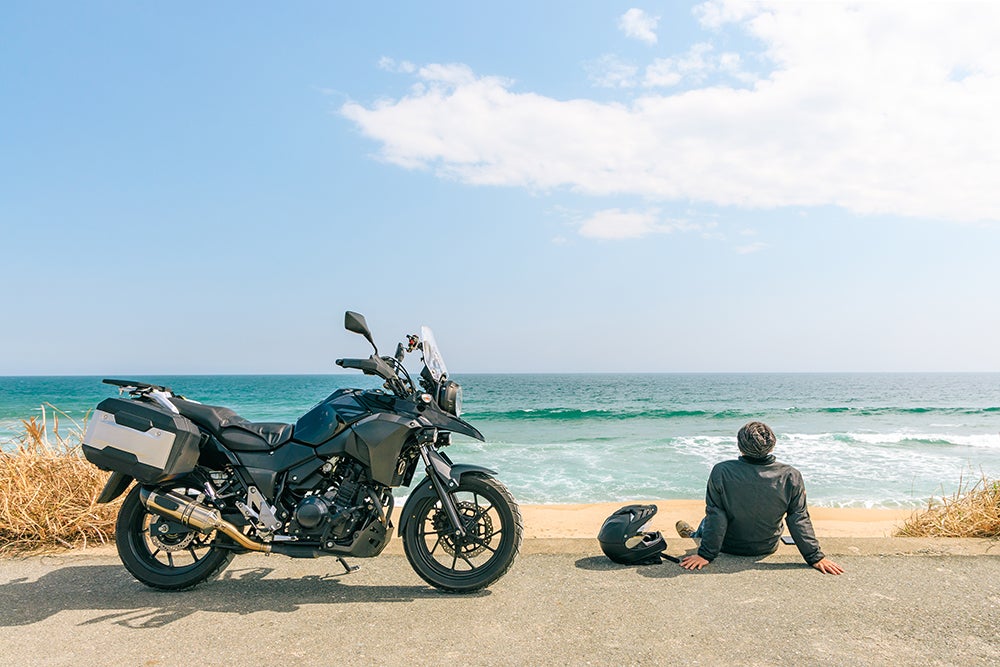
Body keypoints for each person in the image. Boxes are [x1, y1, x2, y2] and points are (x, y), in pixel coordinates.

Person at [676, 421, 844, 575]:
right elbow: (798, 518)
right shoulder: (790, 475)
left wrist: (705, 555)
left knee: (708, 519)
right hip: (766, 546)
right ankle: (694, 534)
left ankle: (694, 536)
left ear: (740, 446)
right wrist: (815, 557)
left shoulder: (721, 471)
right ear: (771, 446)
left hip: (728, 546)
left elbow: (716, 516)